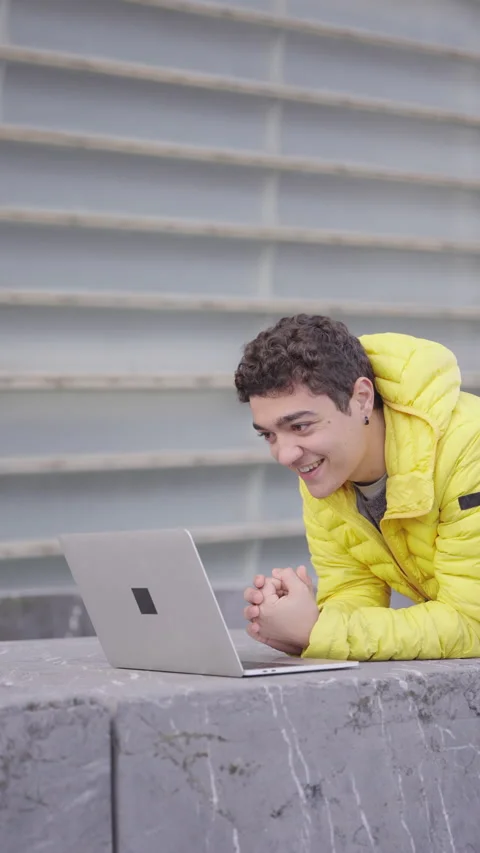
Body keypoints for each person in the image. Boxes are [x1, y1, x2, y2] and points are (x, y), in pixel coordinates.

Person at [235, 314, 480, 661]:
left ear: (362, 398)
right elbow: (354, 589)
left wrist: (321, 632)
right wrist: (306, 622)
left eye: (301, 426)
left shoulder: (470, 450)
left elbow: (472, 622)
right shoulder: (326, 474)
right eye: (269, 435)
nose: (285, 454)